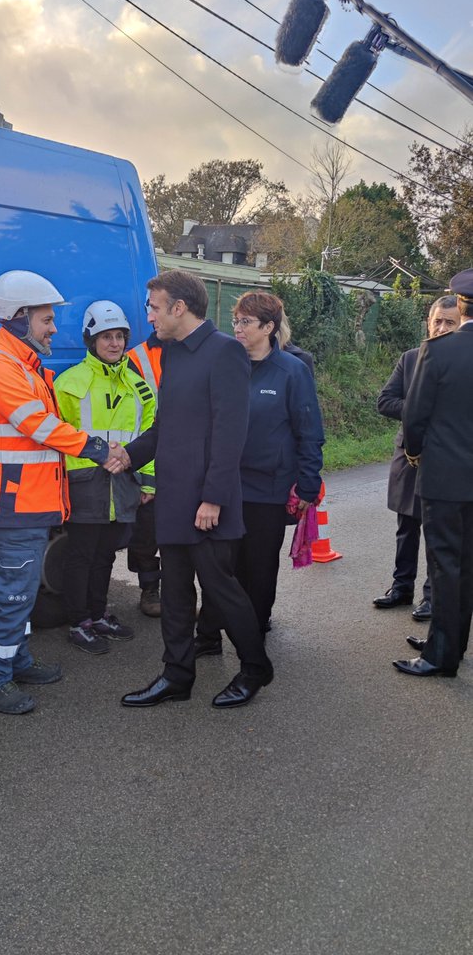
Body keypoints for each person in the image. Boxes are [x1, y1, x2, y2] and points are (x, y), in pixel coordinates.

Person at [107, 268, 273, 709]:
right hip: (173, 497)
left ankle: (255, 668)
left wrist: (213, 497)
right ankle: (177, 676)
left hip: (207, 502)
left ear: (180, 308)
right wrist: (130, 454)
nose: (150, 317)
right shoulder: (174, 353)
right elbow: (167, 425)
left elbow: (231, 431)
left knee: (221, 590)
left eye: (154, 307)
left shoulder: (225, 353)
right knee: (176, 591)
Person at [0, 271, 115, 715]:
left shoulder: (25, 366)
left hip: (29, 502)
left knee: (24, 591)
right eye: (46, 319)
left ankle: (16, 661)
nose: (53, 328)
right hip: (12, 504)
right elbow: (41, 427)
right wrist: (97, 447)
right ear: (18, 319)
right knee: (13, 594)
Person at [195, 291, 324, 652]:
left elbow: (310, 432)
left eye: (245, 322)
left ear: (268, 327)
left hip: (268, 489)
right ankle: (207, 636)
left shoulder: (292, 372)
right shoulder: (225, 366)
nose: (237, 328)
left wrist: (308, 485)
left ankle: (252, 638)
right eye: (235, 320)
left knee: (259, 568)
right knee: (218, 566)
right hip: (224, 486)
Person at [54, 301, 156, 653]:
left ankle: (98, 614)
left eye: (119, 337)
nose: (114, 343)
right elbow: (58, 436)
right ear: (91, 340)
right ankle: (78, 621)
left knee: (105, 555)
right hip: (84, 484)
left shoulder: (138, 385)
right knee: (81, 554)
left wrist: (147, 482)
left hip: (124, 483)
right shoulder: (68, 383)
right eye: (106, 337)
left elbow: (150, 435)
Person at [393, 269, 473, 678]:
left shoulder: (437, 351)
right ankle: (453, 644)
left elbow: (416, 417)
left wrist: (416, 453)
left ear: (460, 305)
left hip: (443, 475)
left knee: (444, 565)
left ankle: (439, 657)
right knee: (467, 565)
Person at [374, 295, 461, 618]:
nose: (441, 328)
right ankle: (401, 587)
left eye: (449, 322)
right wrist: (417, 412)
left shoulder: (463, 362)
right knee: (406, 527)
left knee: (437, 532)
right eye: (437, 320)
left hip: (444, 461)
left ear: (461, 324)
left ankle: (431, 596)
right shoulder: (411, 358)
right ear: (428, 321)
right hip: (409, 456)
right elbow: (385, 401)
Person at [126, 329, 163, 617]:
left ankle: (180, 591)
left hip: (187, 456)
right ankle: (150, 588)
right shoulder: (136, 358)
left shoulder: (198, 350)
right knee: (145, 532)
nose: (153, 316)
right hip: (148, 454)